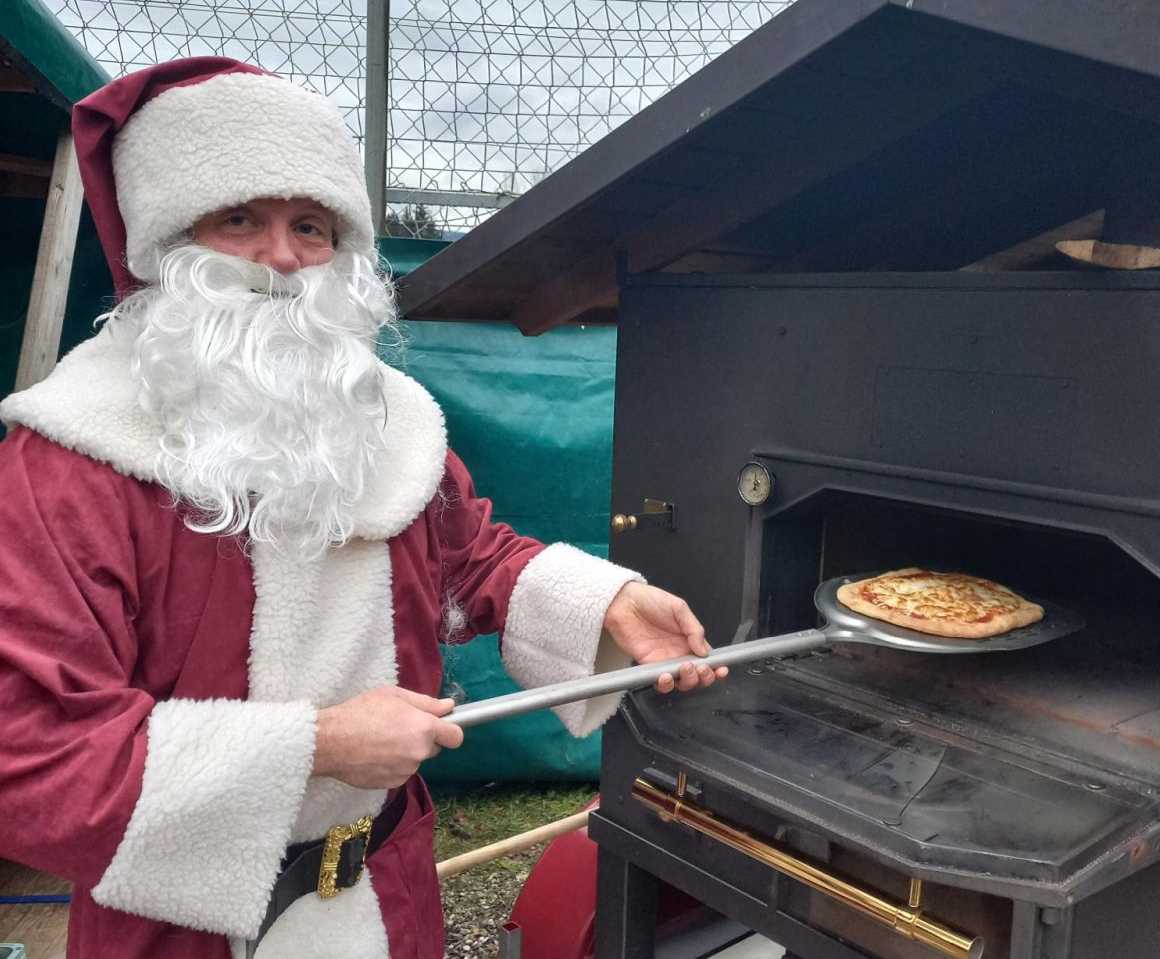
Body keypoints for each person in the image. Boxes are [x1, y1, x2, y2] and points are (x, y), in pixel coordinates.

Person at [0, 58, 725, 959]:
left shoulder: (382, 417)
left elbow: (467, 559)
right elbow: (26, 751)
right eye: (239, 218)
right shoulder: (76, 456)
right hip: (182, 925)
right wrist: (316, 745)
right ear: (165, 241)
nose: (282, 257)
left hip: (387, 898)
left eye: (312, 226)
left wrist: (608, 604)